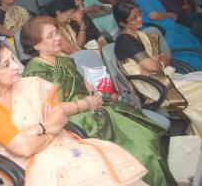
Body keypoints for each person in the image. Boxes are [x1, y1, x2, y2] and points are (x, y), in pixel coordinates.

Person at [20, 16, 175, 185]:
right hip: (75, 121)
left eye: (57, 32)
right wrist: (88, 104)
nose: (57, 37)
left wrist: (100, 95)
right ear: (36, 44)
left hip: (93, 107)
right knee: (142, 152)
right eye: (50, 36)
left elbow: (84, 84)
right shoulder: (36, 71)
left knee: (149, 137)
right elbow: (49, 110)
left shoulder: (63, 59)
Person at [0, 39, 148, 185]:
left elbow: (60, 115)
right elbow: (24, 148)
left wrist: (38, 129)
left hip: (58, 149)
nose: (16, 67)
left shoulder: (29, 85)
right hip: (20, 168)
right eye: (6, 65)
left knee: (106, 165)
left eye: (13, 60)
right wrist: (49, 128)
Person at [113, 2, 202, 136]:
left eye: (139, 14)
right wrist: (159, 63)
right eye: (134, 17)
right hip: (151, 85)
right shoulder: (125, 40)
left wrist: (157, 62)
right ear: (122, 23)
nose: (140, 19)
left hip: (162, 77)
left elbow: (164, 58)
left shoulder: (139, 35)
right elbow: (154, 66)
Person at [135, 0, 202, 70]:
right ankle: (191, 68)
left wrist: (169, 16)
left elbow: (161, 12)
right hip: (158, 28)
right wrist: (170, 14)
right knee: (185, 40)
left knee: (190, 34)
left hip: (167, 24)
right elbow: (153, 16)